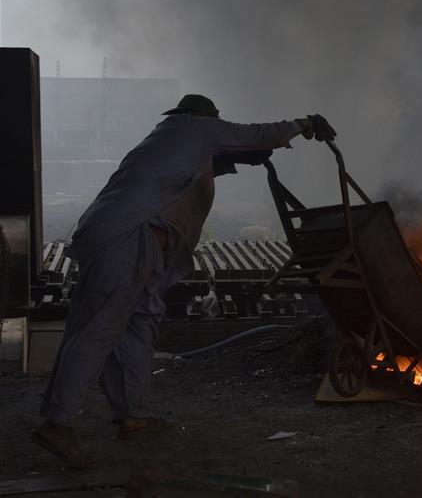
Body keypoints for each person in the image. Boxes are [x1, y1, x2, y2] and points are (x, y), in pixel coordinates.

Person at [31, 94, 335, 469]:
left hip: (131, 241)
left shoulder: (168, 140)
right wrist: (303, 124)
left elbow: (190, 174)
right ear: (202, 118)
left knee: (138, 327)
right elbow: (257, 133)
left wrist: (234, 159)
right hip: (126, 240)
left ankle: (133, 415)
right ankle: (58, 424)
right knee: (99, 329)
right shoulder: (194, 127)